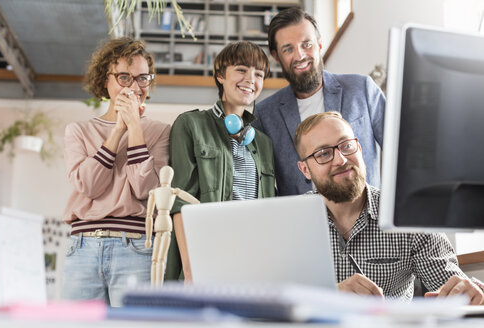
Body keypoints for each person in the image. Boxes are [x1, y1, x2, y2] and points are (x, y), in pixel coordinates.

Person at [293, 111, 484, 304]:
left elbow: (452, 288)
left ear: (359, 148)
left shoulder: (409, 214)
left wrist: (469, 294)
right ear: (305, 170)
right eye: (323, 153)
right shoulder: (290, 221)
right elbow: (268, 297)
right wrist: (330, 296)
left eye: (347, 146)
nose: (341, 160)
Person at [62, 37, 170, 306]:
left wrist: (135, 127)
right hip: (83, 248)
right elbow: (89, 186)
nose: (134, 87)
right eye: (124, 77)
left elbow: (146, 189)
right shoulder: (79, 131)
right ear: (105, 80)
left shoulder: (161, 132)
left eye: (142, 78)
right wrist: (119, 129)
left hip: (136, 248)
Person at [166, 41, 276, 281]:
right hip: (207, 255)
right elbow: (179, 204)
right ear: (220, 76)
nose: (251, 79)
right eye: (241, 69)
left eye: (259, 74)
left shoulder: (264, 144)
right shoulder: (190, 125)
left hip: (254, 261)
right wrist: (191, 271)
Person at [254, 7, 384, 196]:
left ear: (320, 45)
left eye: (307, 44)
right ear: (276, 56)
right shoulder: (265, 114)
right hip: (302, 221)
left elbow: (400, 147)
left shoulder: (361, 89)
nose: (300, 56)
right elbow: (259, 181)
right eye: (288, 49)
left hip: (366, 216)